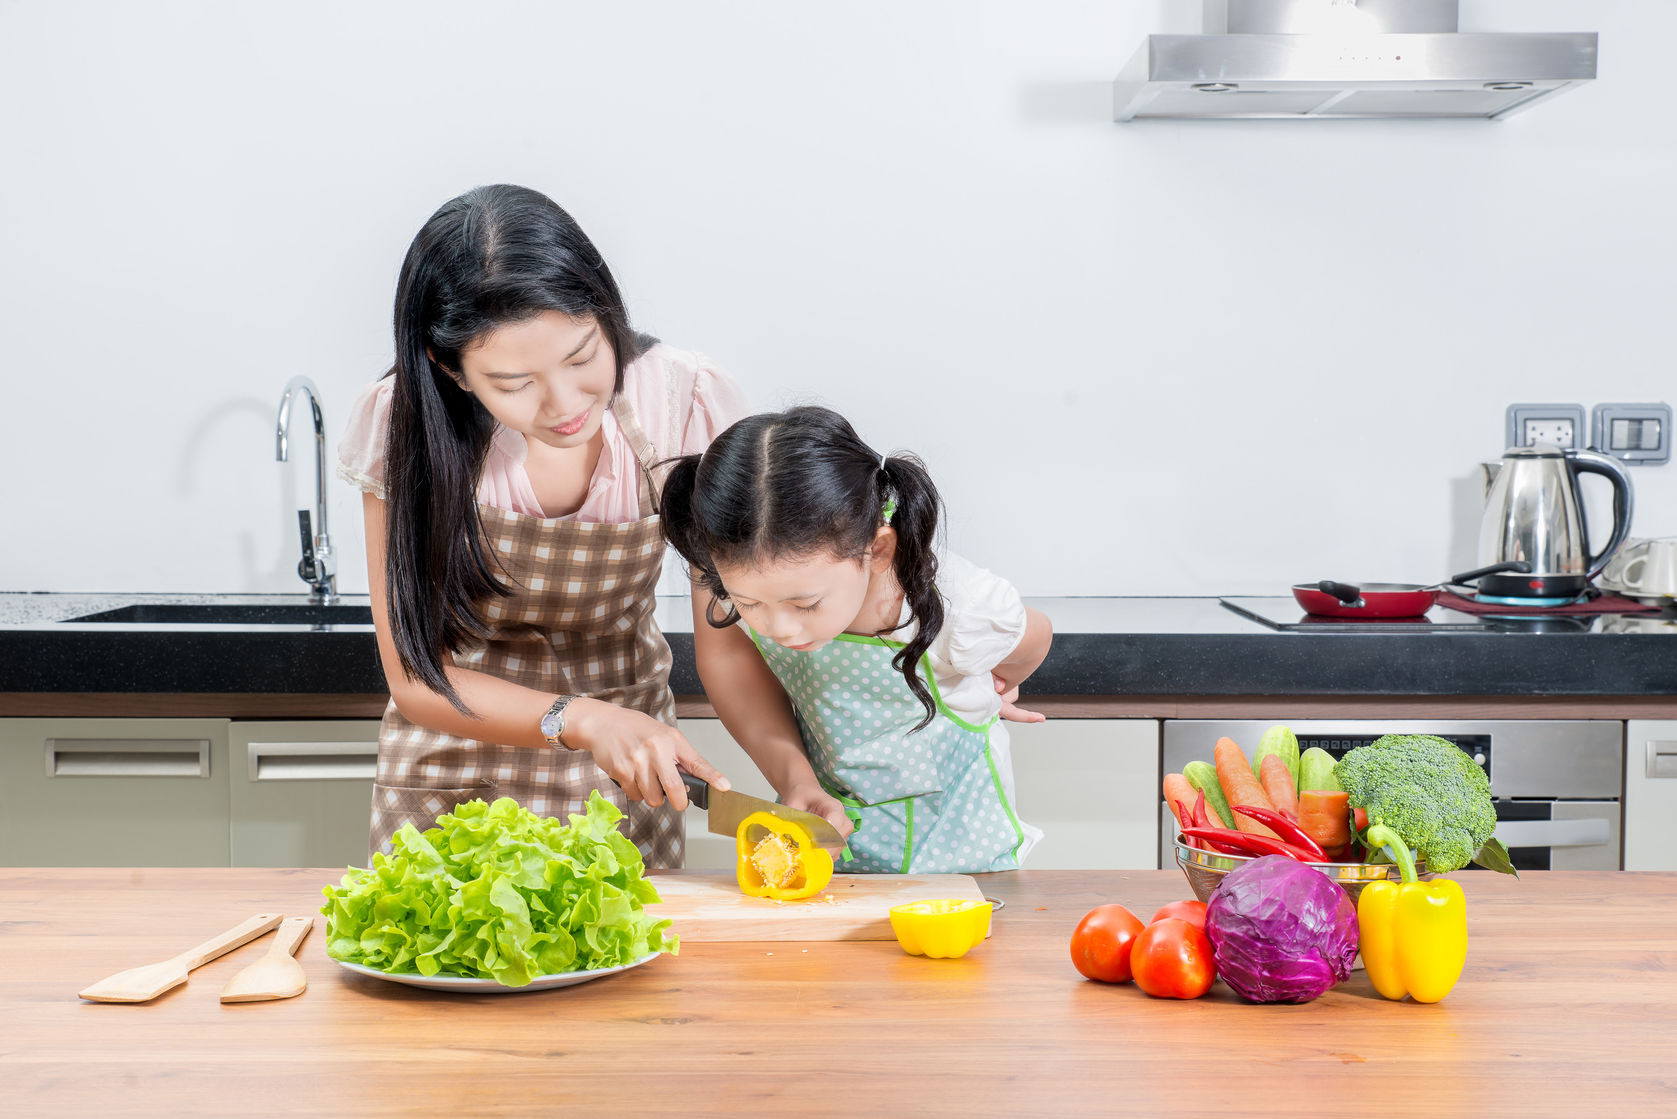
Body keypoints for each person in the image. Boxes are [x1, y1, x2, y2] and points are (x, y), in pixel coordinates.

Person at [336, 183, 749, 866]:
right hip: (452, 764)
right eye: (514, 381)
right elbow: (417, 677)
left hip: (628, 770)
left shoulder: (682, 400)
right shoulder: (399, 422)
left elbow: (728, 641)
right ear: (451, 368)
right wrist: (579, 718)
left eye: (583, 356)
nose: (564, 404)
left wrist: (793, 776)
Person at [659, 406, 1053, 873]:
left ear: (878, 549)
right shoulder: (731, 563)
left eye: (805, 605)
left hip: (964, 865)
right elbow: (726, 659)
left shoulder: (960, 605)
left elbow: (1034, 637)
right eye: (749, 604)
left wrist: (1000, 681)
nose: (779, 629)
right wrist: (797, 781)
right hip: (838, 863)